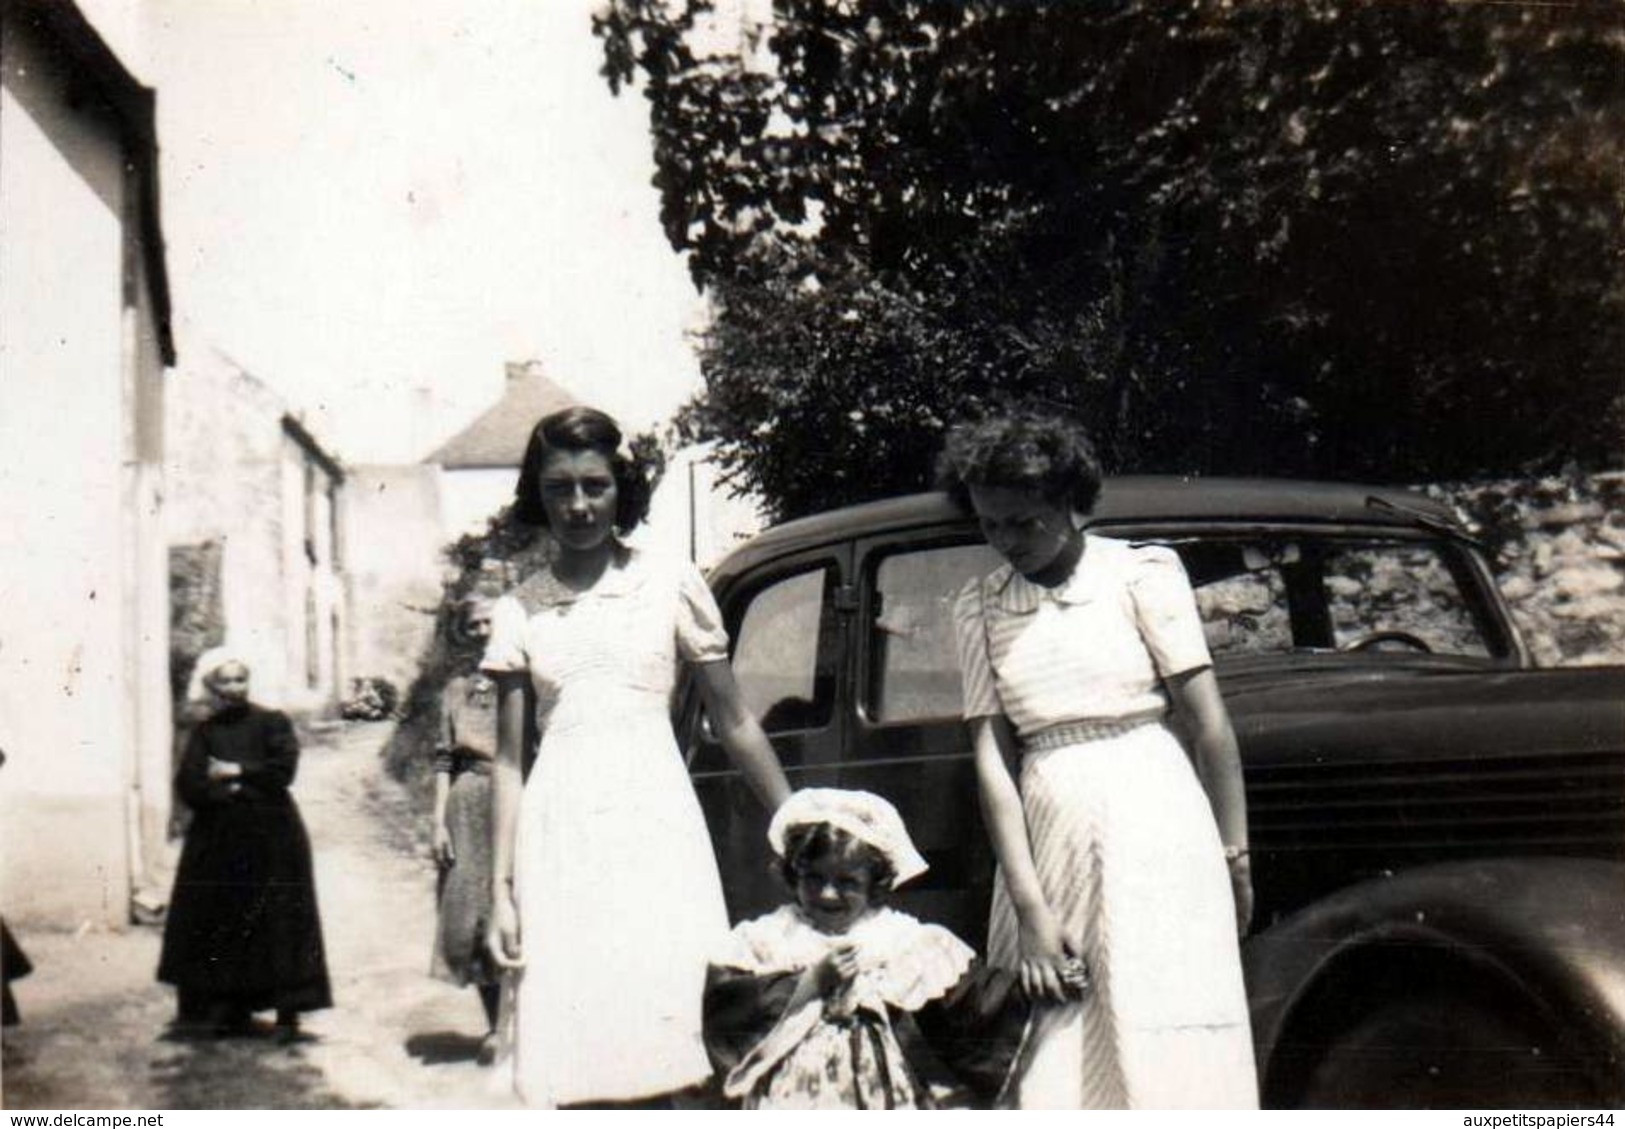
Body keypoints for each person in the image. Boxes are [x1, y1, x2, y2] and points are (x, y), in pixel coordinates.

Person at [939, 410, 1257, 1109]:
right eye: (990, 524)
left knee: (1164, 1020)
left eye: (1023, 522)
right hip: (1047, 833)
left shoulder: (1140, 573)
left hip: (1156, 819)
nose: (1005, 541)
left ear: (1066, 500)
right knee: (1056, 1032)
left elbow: (1208, 725)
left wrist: (1232, 857)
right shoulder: (978, 605)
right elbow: (992, 760)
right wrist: (1028, 909)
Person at [482, 406, 792, 1108]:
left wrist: (792, 817)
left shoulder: (669, 584)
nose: (578, 504)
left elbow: (734, 717)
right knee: (578, 1043)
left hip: (654, 825)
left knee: (671, 1034)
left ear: (621, 487)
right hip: (559, 833)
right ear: (539, 493)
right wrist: (498, 889)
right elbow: (507, 761)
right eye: (559, 487)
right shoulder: (518, 610)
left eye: (594, 484)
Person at [702, 788, 1047, 1109]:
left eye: (847, 882)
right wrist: (812, 982)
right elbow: (731, 1006)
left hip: (878, 1089)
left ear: (876, 886)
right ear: (793, 875)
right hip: (794, 1092)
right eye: (814, 878)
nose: (827, 894)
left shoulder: (898, 937)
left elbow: (974, 1001)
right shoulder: (772, 937)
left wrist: (1036, 990)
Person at [157, 649, 331, 1043]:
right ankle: (227, 1008)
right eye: (227, 681)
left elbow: (283, 770)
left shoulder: (272, 722)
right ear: (214, 687)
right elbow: (189, 782)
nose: (235, 687)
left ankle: (288, 1013)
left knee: (279, 920)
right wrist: (227, 792)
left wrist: (236, 772)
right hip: (219, 838)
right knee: (224, 918)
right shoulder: (205, 732)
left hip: (273, 837)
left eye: (241, 679)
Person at [428, 597, 502, 1063]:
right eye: (473, 624)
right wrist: (438, 821)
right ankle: (495, 1026)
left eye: (489, 621)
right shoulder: (456, 690)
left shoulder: (528, 680)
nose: (481, 630)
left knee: (523, 905)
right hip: (469, 799)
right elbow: (443, 759)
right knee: (474, 911)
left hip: (520, 794)